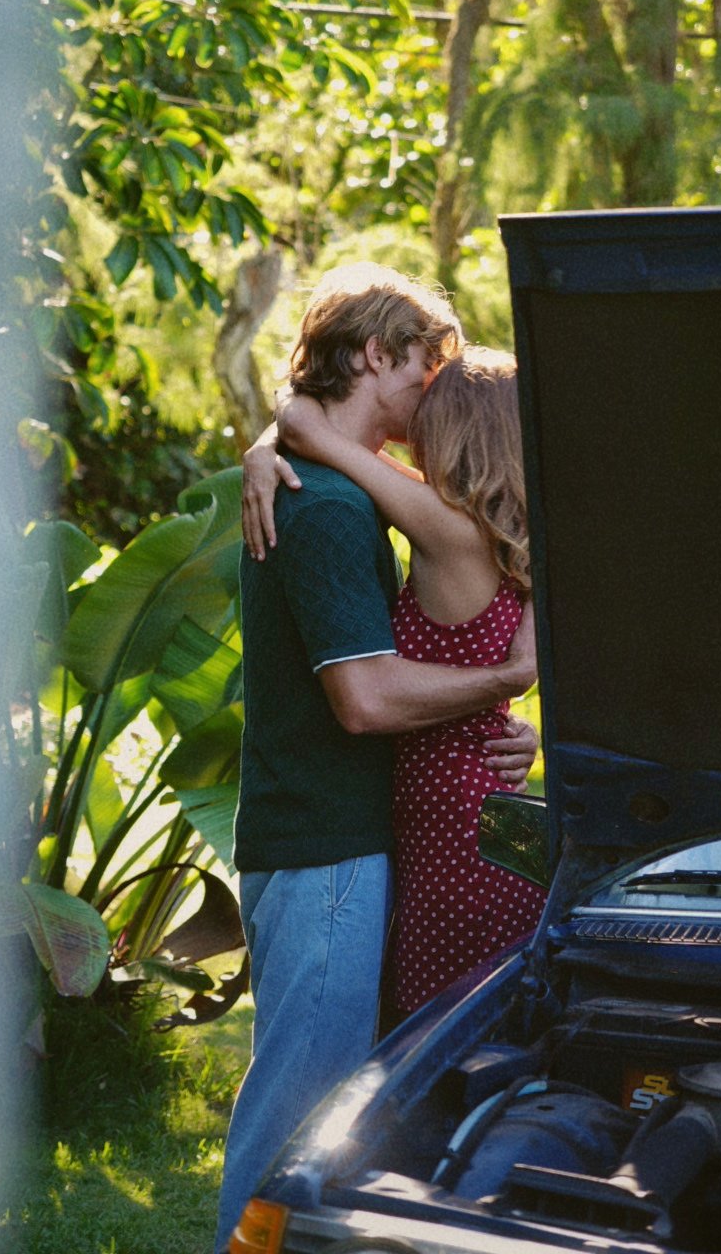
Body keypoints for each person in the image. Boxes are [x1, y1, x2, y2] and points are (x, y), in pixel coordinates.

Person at [214, 265, 538, 1254]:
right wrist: (505, 681)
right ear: (373, 355)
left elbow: (310, 427)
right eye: (420, 369)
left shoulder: (360, 501)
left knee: (342, 1095)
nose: (428, 393)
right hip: (332, 845)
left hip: (376, 839)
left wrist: (280, 435)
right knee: (304, 1111)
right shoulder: (331, 506)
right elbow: (364, 697)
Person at [274, 346, 546, 1017]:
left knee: (431, 1032)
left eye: (431, 409)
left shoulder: (447, 530)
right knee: (478, 1031)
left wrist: (269, 444)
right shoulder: (507, 538)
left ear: (454, 429)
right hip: (486, 818)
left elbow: (309, 429)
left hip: (456, 833)